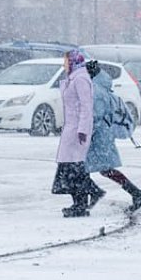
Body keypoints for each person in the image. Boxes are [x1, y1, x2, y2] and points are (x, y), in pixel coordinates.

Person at [84, 60, 141, 212]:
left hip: (98, 136)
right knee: (104, 169)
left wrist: (85, 133)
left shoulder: (96, 91)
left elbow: (96, 117)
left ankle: (93, 195)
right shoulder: (100, 87)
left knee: (81, 168)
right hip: (103, 135)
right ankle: (135, 192)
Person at [51, 49, 102, 218]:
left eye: (66, 61)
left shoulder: (80, 79)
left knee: (74, 167)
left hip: (77, 131)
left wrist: (82, 130)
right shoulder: (74, 78)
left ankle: (83, 201)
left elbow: (86, 107)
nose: (64, 65)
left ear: (73, 61)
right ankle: (82, 201)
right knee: (69, 167)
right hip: (71, 129)